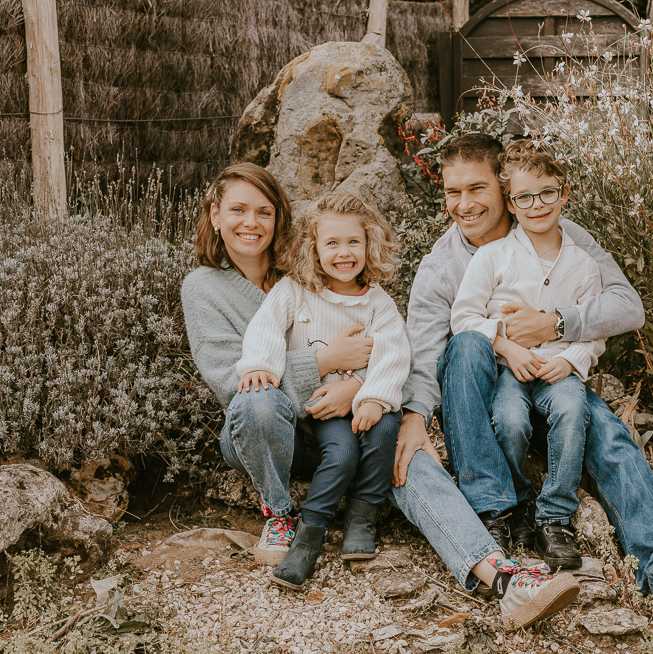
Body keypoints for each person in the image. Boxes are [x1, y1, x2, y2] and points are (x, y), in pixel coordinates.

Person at [181, 162, 580, 628]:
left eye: (263, 211)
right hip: (272, 437)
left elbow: (394, 355)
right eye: (238, 210)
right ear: (215, 215)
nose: (251, 222)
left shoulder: (318, 264)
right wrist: (326, 361)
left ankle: (500, 577)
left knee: (410, 458)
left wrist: (360, 388)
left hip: (351, 425)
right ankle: (281, 514)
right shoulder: (205, 287)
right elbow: (232, 382)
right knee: (258, 400)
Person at [398, 135, 653, 632]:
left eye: (477, 188)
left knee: (608, 434)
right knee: (465, 345)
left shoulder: (560, 232)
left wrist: (555, 324)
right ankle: (495, 512)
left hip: (553, 373)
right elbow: (424, 351)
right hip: (484, 397)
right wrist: (415, 417)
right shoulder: (441, 265)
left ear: (504, 190)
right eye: (452, 192)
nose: (464, 205)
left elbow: (626, 306)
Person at [236, 193, 409, 589]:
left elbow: (395, 353)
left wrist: (373, 397)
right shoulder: (294, 291)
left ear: (369, 244)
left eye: (353, 242)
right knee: (343, 452)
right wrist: (260, 364)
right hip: (323, 407)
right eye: (332, 243)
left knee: (385, 429)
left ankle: (362, 519)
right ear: (313, 249)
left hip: (367, 400)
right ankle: (308, 537)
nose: (343, 253)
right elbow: (265, 328)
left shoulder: (377, 303)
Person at [450, 139, 605, 570]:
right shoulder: (493, 256)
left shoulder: (584, 264)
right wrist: (505, 346)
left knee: (572, 413)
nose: (537, 205)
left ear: (564, 193)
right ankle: (517, 501)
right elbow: (464, 317)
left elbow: (594, 332)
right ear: (510, 203)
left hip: (559, 369)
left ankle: (554, 517)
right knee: (510, 420)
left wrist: (571, 361)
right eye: (524, 197)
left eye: (547, 193)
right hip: (510, 369)